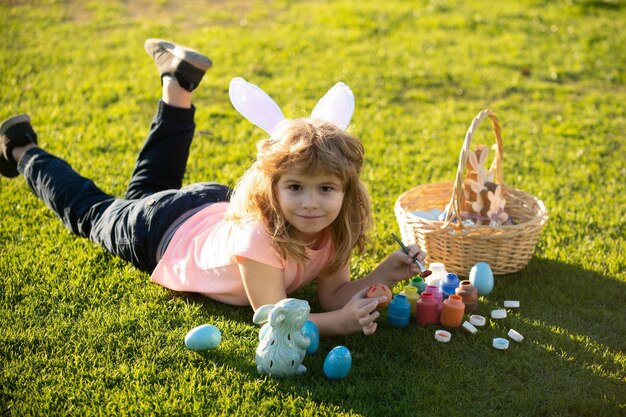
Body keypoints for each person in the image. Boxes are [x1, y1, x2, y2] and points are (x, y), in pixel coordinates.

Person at [0, 39, 425, 337]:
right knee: (93, 213)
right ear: (270, 186)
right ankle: (21, 149)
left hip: (207, 207)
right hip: (163, 231)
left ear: (345, 191)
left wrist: (384, 273)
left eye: (325, 190)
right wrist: (339, 325)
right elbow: (272, 315)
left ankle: (177, 83)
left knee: (147, 189)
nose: (312, 203)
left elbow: (333, 295)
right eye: (295, 187)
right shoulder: (259, 236)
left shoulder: (335, 226)